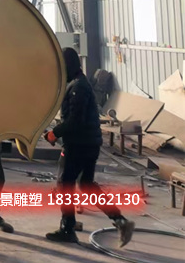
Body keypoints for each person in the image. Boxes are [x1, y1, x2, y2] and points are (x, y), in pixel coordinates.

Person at [45, 47, 134, 247]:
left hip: (79, 145)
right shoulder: (78, 83)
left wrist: (54, 133)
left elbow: (74, 121)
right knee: (86, 185)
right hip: (89, 144)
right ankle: (120, 221)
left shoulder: (78, 87)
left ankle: (67, 229)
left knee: (64, 185)